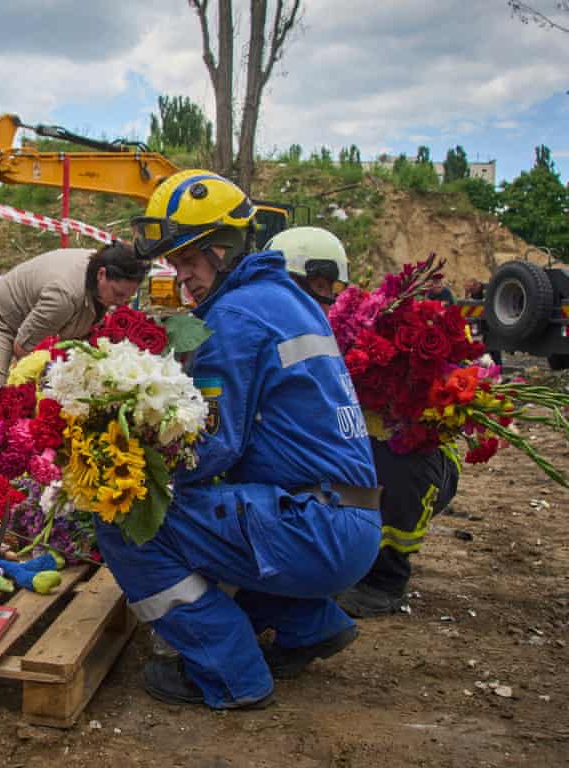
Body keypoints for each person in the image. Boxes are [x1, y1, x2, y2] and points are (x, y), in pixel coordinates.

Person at [95, 169, 383, 710]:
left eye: (187, 261)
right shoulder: (285, 298)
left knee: (127, 521)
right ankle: (308, 627)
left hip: (312, 527)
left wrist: (128, 468)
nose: (183, 278)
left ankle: (229, 673)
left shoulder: (234, 316)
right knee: (222, 517)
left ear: (222, 249)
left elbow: (211, 446)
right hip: (346, 519)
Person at [267, 227, 460, 618]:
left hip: (408, 460)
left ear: (322, 281)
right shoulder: (280, 327)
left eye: (288, 285)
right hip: (341, 456)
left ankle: (385, 578)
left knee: (392, 457)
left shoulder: (373, 329)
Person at [0, 244, 148, 453]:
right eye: (117, 294)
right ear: (102, 274)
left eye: (127, 297)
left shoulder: (102, 275)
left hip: (35, 321)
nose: (120, 303)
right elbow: (25, 348)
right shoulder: (64, 295)